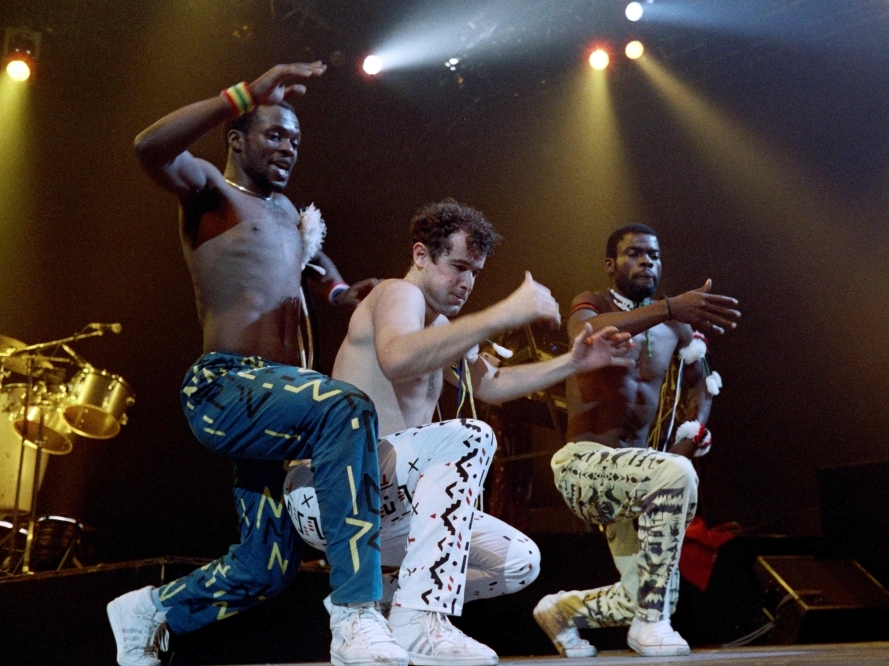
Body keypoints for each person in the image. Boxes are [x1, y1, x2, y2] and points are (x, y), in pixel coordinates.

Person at [106, 62, 404, 666]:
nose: (288, 147)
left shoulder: (288, 213)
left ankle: (148, 609)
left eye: (295, 139)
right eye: (273, 134)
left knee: (266, 563)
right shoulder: (211, 191)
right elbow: (148, 147)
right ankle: (354, 615)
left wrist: (345, 294)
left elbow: (315, 268)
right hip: (225, 389)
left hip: (279, 407)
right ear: (236, 139)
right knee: (345, 407)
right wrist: (240, 94)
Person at [301, 199, 633, 666]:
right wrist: (505, 312)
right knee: (470, 435)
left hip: (391, 501)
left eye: (475, 271)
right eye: (458, 266)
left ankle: (369, 603)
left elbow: (492, 385)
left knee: (519, 561)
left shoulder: (439, 326)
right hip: (338, 490)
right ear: (421, 256)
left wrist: (575, 363)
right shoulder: (399, 293)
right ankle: (421, 620)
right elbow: (397, 356)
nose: (467, 282)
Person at [531, 223, 741, 658]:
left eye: (655, 255)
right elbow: (582, 337)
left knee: (650, 592)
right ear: (611, 265)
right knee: (675, 477)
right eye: (635, 254)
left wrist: (691, 435)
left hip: (638, 474)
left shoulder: (676, 329)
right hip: (582, 466)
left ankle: (563, 611)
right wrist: (670, 307)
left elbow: (703, 385)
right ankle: (650, 625)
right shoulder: (592, 305)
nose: (648, 261)